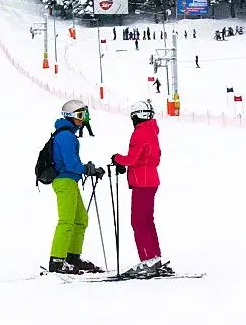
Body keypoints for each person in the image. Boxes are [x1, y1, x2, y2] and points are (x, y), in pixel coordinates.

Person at [111, 101, 171, 277]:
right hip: (150, 179)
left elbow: (132, 158)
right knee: (146, 220)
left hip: (142, 182)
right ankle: (155, 257)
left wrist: (117, 159)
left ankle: (148, 259)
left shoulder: (140, 132)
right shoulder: (151, 131)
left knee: (138, 221)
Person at [47, 100, 105, 274]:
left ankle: (72, 257)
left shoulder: (68, 135)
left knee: (81, 219)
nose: (82, 120)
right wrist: (87, 169)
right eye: (79, 116)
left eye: (84, 116)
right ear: (69, 117)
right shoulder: (66, 136)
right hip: (64, 181)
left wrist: (87, 169)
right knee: (67, 220)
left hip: (70, 181)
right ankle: (57, 261)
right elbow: (71, 164)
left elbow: (72, 164)